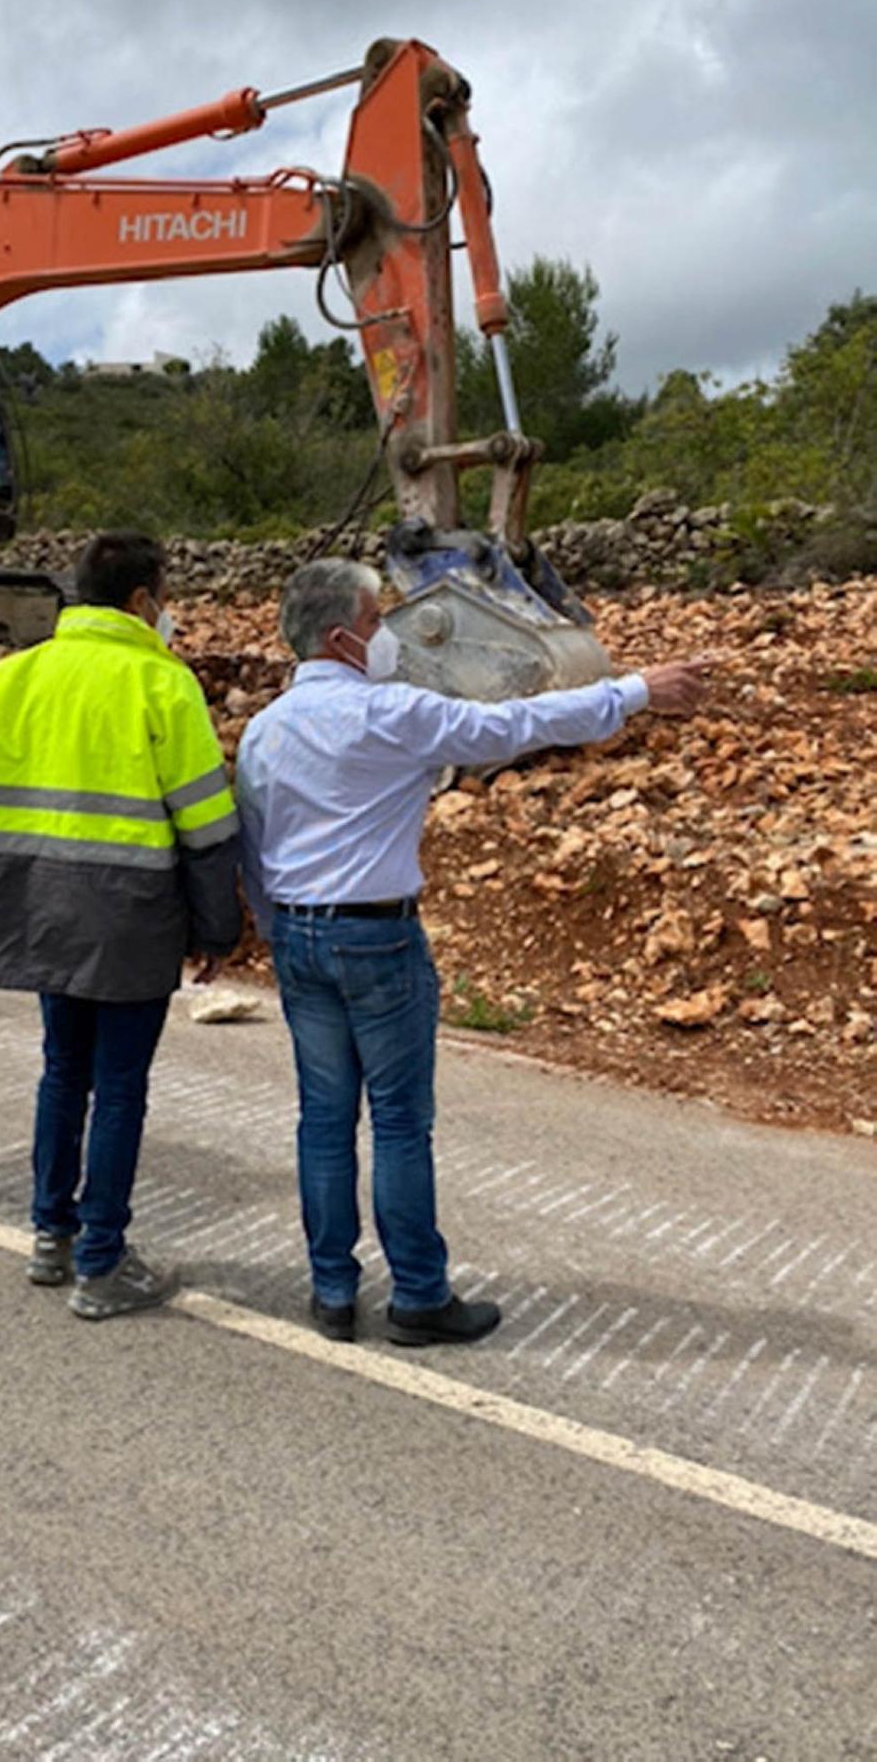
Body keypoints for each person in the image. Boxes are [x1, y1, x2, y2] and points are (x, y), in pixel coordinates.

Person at [237, 559, 705, 1348]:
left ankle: (331, 1291)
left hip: (299, 937)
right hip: (377, 935)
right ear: (343, 638)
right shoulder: (394, 715)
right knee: (397, 1122)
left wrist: (271, 925)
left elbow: (253, 843)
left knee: (322, 1120)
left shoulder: (263, 729)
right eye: (378, 619)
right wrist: (634, 690)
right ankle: (418, 1295)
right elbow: (517, 724)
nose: (389, 634)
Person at [0, 530, 242, 1319]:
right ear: (141, 600)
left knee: (63, 1071)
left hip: (35, 905)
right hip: (131, 917)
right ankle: (104, 1260)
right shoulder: (162, 684)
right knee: (122, 1087)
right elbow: (206, 825)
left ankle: (51, 1236)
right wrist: (216, 931)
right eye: (163, 597)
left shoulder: (17, 673)